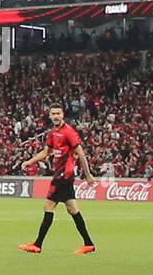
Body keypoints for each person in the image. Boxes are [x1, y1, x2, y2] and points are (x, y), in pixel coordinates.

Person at [19, 104, 98, 255]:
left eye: (58, 113)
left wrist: (87, 174)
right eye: (53, 113)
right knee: (72, 209)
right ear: (49, 115)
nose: (55, 116)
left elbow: (80, 153)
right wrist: (30, 162)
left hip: (64, 175)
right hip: (62, 174)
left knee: (48, 206)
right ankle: (88, 244)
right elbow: (46, 152)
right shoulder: (53, 133)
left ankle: (37, 244)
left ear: (63, 115)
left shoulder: (68, 132)